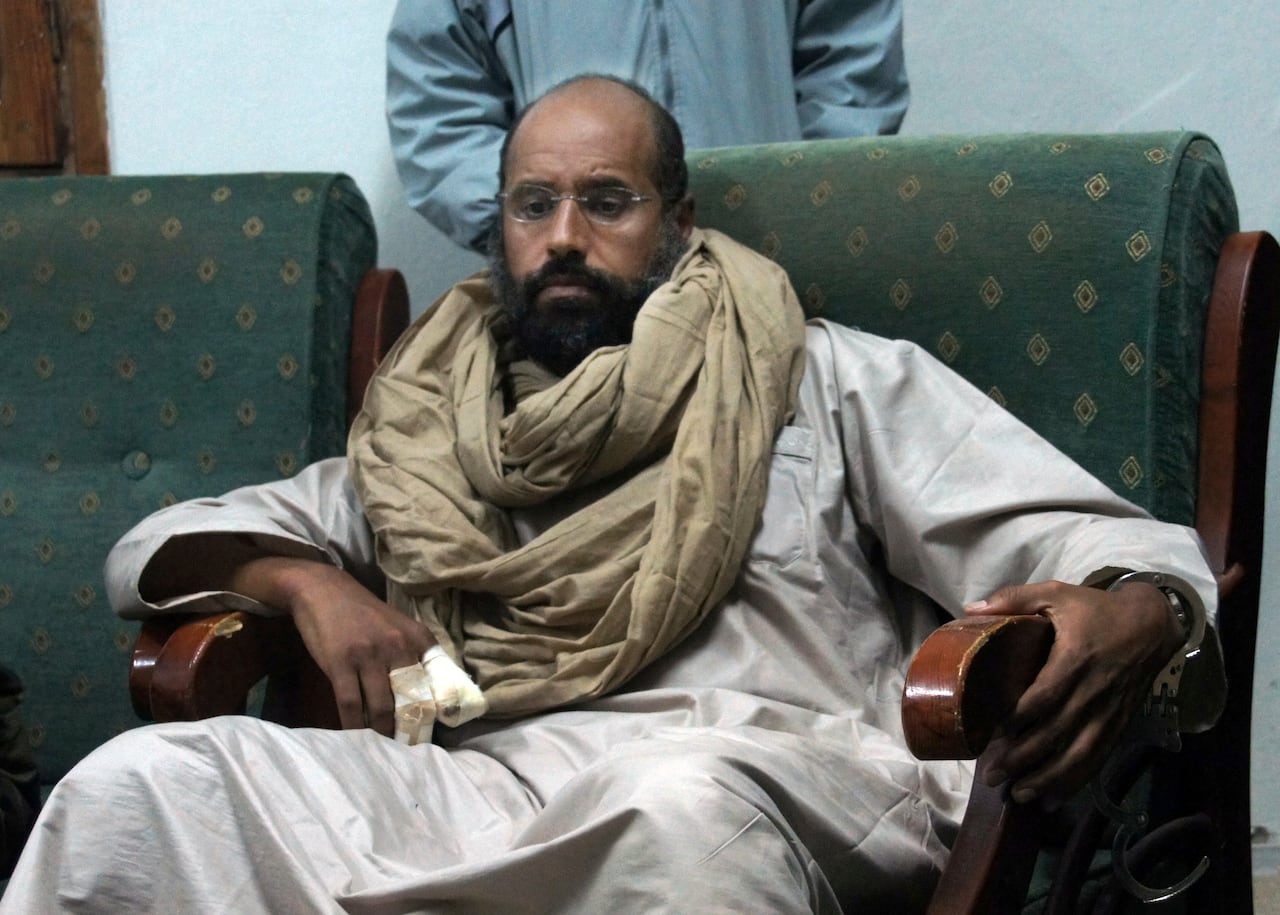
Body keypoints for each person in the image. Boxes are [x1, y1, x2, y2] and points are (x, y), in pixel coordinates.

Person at [1, 76, 1213, 914]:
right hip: (484, 784)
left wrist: (1135, 609)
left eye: (606, 200)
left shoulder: (817, 375)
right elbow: (149, 550)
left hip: (764, 767)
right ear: (500, 230)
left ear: (678, 226)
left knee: (674, 810)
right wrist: (304, 580)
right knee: (141, 790)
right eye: (533, 205)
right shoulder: (437, 426)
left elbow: (1094, 538)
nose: (563, 236)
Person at [387, 0, 910, 251]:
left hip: (768, 262)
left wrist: (809, 202)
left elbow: (852, 62)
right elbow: (439, 103)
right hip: (578, 296)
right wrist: (542, 223)